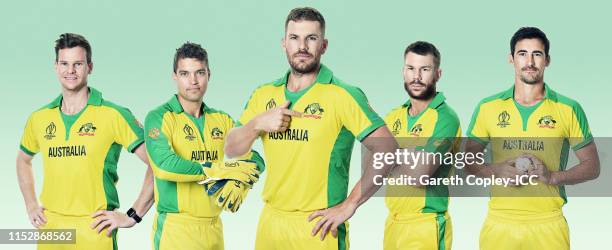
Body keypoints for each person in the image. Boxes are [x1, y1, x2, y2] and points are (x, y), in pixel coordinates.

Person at [224, 7, 397, 250]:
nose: (302, 46)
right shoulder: (264, 94)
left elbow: (388, 149)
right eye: (294, 38)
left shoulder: (343, 95)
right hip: (270, 226)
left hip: (319, 228)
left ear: (323, 45)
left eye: (311, 38)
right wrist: (257, 124)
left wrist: (350, 204)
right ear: (284, 43)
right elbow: (231, 147)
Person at [465, 27, 600, 250]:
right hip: (500, 223)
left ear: (547, 60)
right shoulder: (487, 107)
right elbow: (468, 160)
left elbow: (593, 166)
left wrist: (553, 177)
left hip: (548, 225)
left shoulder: (568, 108)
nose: (530, 61)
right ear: (511, 59)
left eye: (537, 54)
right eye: (522, 54)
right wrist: (495, 170)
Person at [17, 33, 154, 250]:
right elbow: (23, 160)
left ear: (89, 67)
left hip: (95, 229)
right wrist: (31, 204)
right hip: (52, 230)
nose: (70, 71)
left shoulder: (113, 115)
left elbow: (159, 163)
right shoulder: (39, 118)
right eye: (64, 63)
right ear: (55, 66)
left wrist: (133, 215)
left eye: (78, 64)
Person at [144, 42, 264, 250]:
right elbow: (164, 166)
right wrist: (216, 170)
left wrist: (240, 184)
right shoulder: (159, 117)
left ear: (209, 74)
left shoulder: (222, 120)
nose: (193, 81)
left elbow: (255, 158)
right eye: (185, 73)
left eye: (199, 73)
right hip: (176, 230)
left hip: (214, 228)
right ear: (175, 76)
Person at [383, 41, 460, 250]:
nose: (416, 77)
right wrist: (409, 155)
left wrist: (393, 155)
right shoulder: (393, 117)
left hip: (426, 226)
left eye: (425, 69)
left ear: (438, 74)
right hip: (393, 224)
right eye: (411, 69)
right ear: (403, 72)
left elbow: (421, 174)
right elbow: (375, 165)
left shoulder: (445, 118)